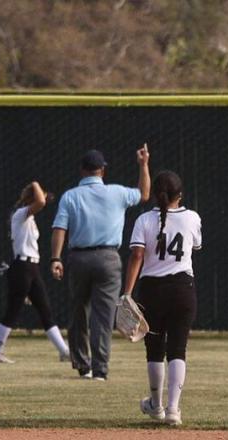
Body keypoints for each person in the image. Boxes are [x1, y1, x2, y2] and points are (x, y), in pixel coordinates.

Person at [50, 147, 151, 380]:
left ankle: (83, 365)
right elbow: (144, 194)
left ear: (82, 171)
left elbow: (59, 229)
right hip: (108, 258)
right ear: (102, 171)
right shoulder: (117, 193)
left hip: (79, 258)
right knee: (103, 317)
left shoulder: (70, 196)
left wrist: (56, 258)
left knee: (78, 313)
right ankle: (100, 369)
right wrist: (143, 164)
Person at [122, 171, 202, 426]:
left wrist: (126, 293)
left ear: (156, 195)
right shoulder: (192, 218)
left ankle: (156, 406)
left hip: (152, 290)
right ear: (180, 194)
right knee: (178, 349)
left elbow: (136, 256)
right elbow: (196, 246)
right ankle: (173, 410)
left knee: (154, 350)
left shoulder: (144, 219)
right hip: (182, 288)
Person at [0, 181, 70, 364]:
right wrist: (35, 184)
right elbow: (40, 202)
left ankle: (64, 351)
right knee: (13, 310)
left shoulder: (29, 219)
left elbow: (41, 201)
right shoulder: (20, 214)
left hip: (31, 268)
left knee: (44, 309)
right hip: (22, 267)